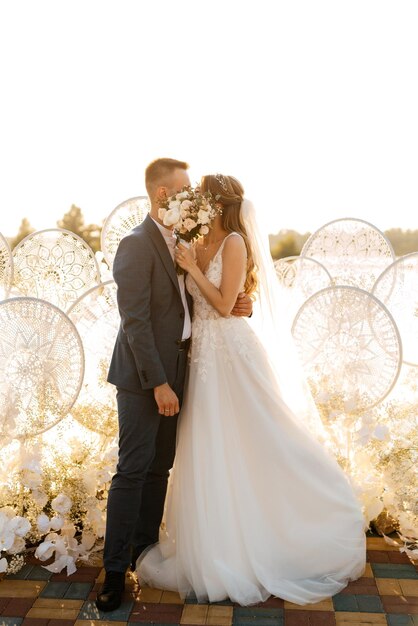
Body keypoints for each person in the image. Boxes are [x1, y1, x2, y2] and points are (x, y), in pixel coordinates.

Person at [136, 174, 366, 606]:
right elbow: (191, 301)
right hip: (201, 356)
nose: (195, 203)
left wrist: (193, 271)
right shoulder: (196, 240)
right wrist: (191, 266)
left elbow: (224, 305)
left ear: (216, 204)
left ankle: (323, 506)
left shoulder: (235, 243)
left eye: (202, 197)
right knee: (212, 445)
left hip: (232, 354)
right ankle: (219, 540)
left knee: (263, 435)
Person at [96, 160, 253, 612]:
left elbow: (204, 297)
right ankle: (113, 572)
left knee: (160, 468)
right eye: (187, 190)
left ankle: (142, 552)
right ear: (164, 195)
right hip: (147, 379)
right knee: (132, 470)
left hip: (187, 369)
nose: (195, 199)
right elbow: (136, 324)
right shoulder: (136, 244)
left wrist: (238, 302)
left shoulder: (184, 238)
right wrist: (160, 384)